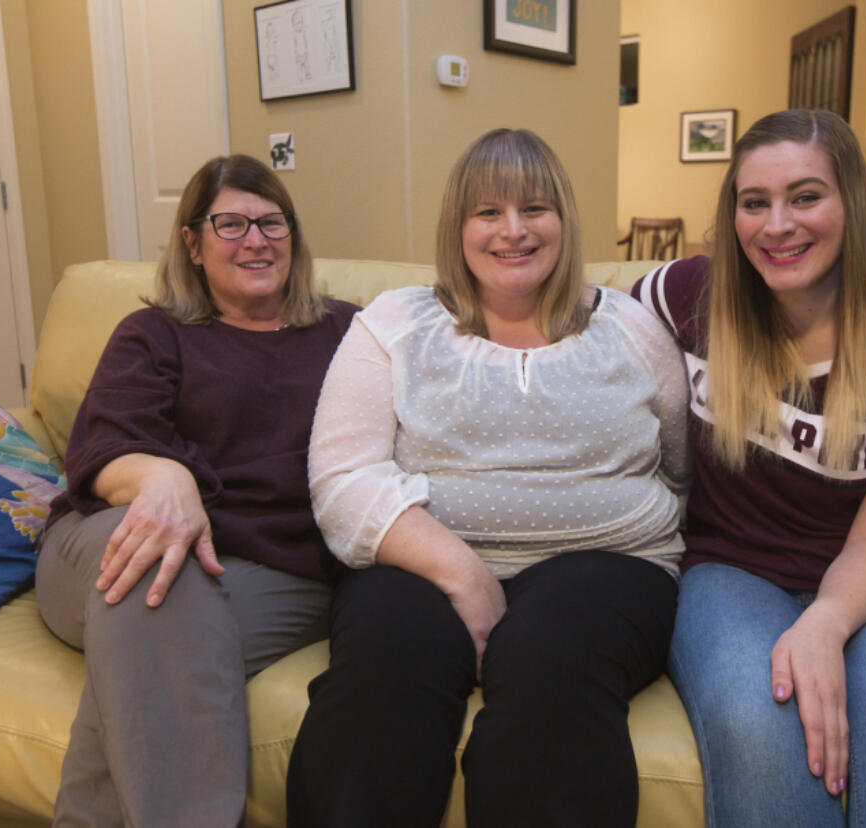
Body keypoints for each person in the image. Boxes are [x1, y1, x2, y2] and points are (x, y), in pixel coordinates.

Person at [286, 128, 689, 828]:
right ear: (458, 227)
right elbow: (342, 479)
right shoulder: (395, 323)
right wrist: (463, 576)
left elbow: (682, 466)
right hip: (419, 564)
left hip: (610, 568)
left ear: (563, 218)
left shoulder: (632, 328)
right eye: (488, 212)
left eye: (534, 208)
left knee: (548, 662)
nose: (513, 230)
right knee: (378, 676)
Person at [632, 109, 866, 826]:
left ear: (851, 201)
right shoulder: (690, 294)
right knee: (762, 728)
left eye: (805, 196)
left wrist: (825, 623)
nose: (776, 225)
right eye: (753, 203)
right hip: (727, 570)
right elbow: (570, 320)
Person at [35, 154, 359, 827]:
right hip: (107, 538)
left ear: (293, 235)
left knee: (144, 666)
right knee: (161, 560)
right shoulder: (153, 334)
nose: (255, 240)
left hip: (277, 567)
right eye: (231, 224)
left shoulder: (348, 333)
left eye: (271, 222)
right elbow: (99, 449)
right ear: (192, 241)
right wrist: (163, 477)